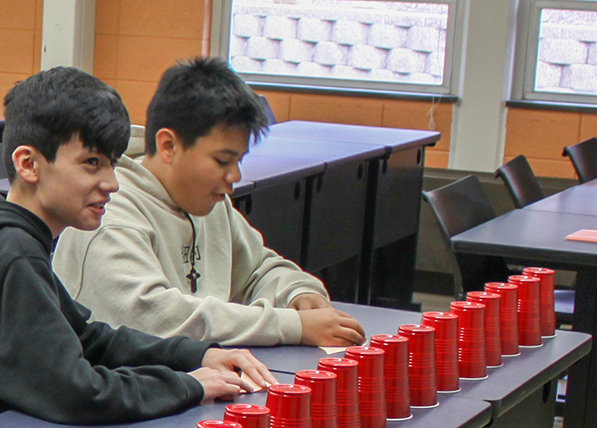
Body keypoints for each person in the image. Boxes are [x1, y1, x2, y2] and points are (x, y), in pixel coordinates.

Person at [0, 67, 274, 428]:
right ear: (29, 164)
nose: (112, 182)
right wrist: (185, 386)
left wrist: (196, 355)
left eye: (112, 163)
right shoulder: (12, 253)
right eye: (91, 164)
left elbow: (87, 338)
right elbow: (74, 391)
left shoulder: (18, 240)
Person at [53, 55, 365, 349]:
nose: (234, 176)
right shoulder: (108, 213)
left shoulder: (208, 203)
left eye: (239, 161)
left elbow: (259, 269)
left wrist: (298, 292)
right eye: (222, 160)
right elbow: (152, 320)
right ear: (168, 145)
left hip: (194, 377)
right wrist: (292, 325)